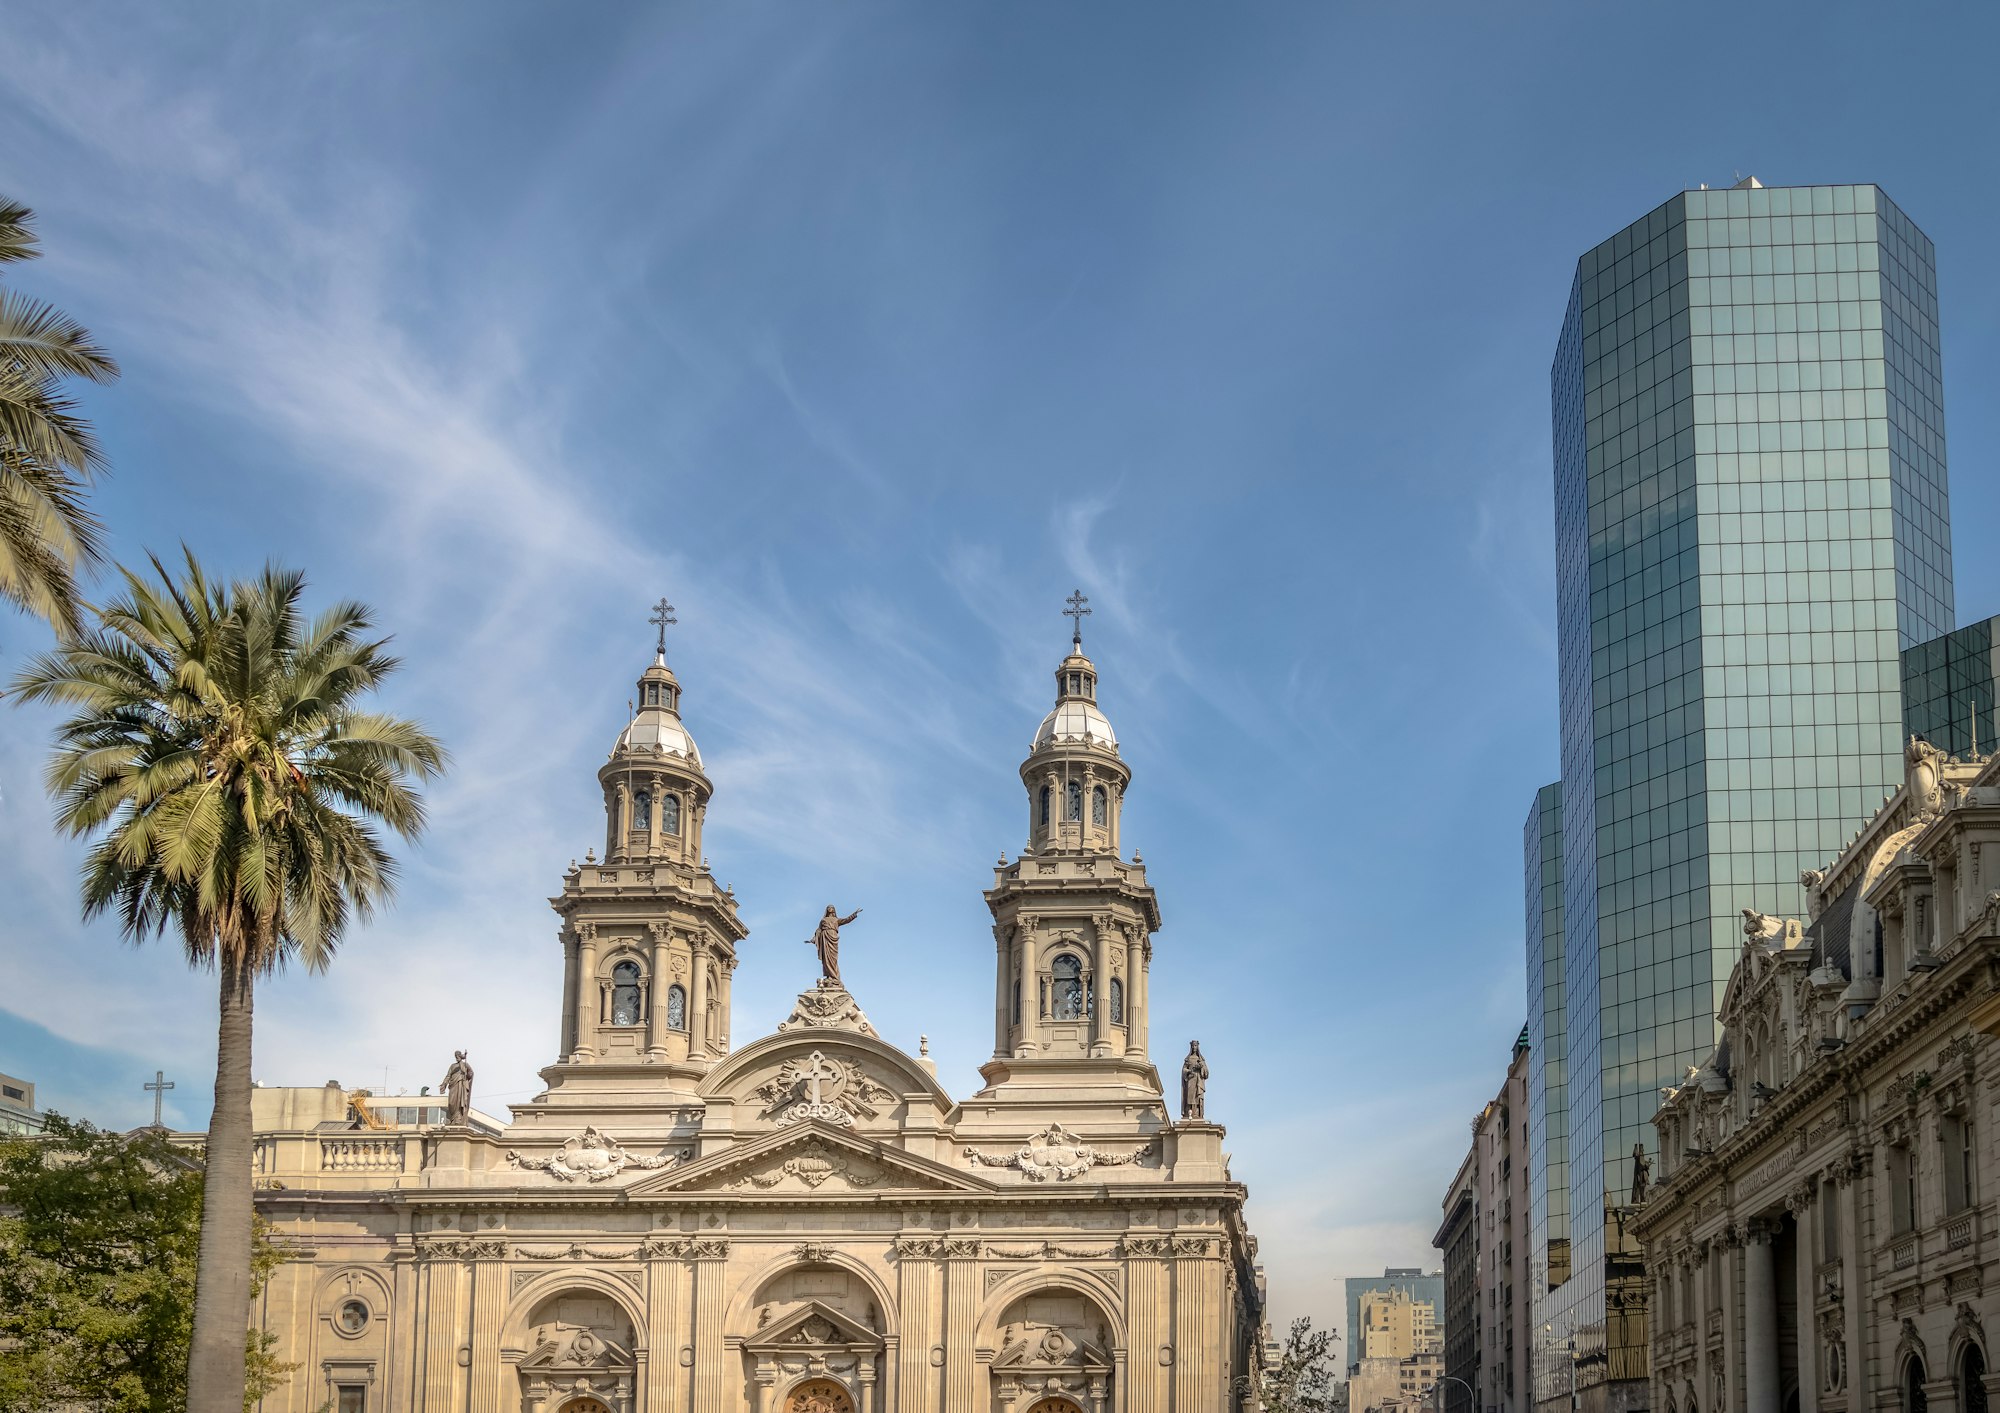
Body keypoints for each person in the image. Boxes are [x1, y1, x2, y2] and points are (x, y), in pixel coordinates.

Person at [807, 905, 861, 985]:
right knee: (826, 959)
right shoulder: (823, 920)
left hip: (833, 938)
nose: (830, 908)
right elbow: (818, 930)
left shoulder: (836, 920)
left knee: (833, 959)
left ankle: (835, 978)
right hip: (824, 938)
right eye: (828, 907)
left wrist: (854, 914)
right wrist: (813, 939)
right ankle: (829, 976)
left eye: (831, 907)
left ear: (834, 909)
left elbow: (846, 920)